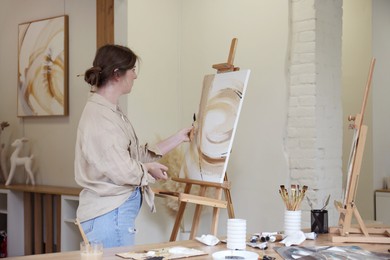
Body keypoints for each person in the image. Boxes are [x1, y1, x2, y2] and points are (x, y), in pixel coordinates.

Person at [74, 44, 192, 248]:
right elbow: (122, 169)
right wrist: (147, 170)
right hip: (109, 217)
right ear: (117, 74)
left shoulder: (110, 111)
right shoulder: (101, 118)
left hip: (111, 216)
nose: (135, 76)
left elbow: (134, 155)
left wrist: (178, 138)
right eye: (133, 70)